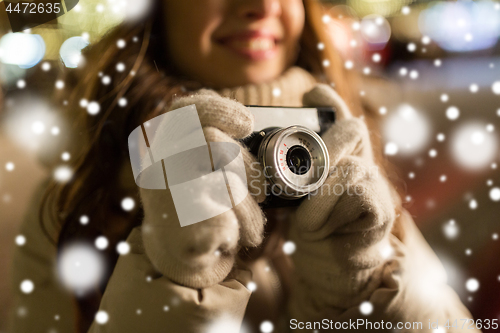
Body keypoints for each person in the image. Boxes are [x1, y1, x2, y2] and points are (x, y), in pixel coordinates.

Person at [9, 0, 480, 332]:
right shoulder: (82, 197)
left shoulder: (349, 154)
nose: (261, 4)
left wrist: (366, 284)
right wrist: (175, 283)